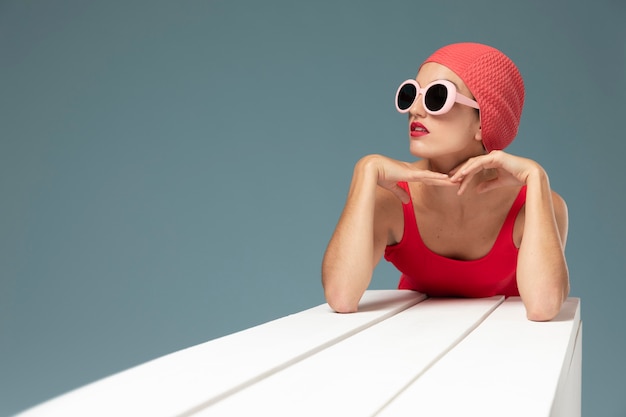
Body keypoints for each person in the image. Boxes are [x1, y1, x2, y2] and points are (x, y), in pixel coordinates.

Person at [321, 42, 569, 321]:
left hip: (508, 350)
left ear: (482, 122)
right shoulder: (391, 198)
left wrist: (537, 178)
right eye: (411, 94)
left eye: (437, 97)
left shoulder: (537, 205)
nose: (414, 110)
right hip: (412, 344)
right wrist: (364, 172)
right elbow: (341, 297)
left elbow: (544, 307)